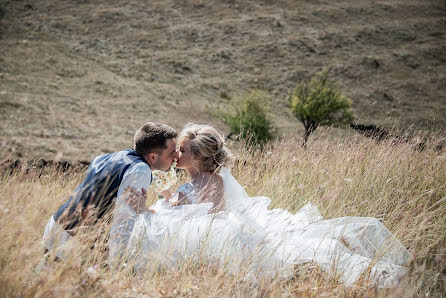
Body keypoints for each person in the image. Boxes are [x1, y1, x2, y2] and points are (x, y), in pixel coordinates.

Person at [110, 123, 411, 288]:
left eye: (183, 150)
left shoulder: (210, 182)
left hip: (213, 237)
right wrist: (164, 201)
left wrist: (164, 204)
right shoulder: (194, 179)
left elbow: (201, 216)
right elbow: (181, 206)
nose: (175, 154)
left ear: (199, 156)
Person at [42, 122, 177, 261]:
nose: (176, 156)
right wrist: (119, 261)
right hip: (72, 240)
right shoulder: (140, 169)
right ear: (153, 157)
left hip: (56, 225)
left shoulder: (112, 157)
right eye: (172, 153)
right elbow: (124, 219)